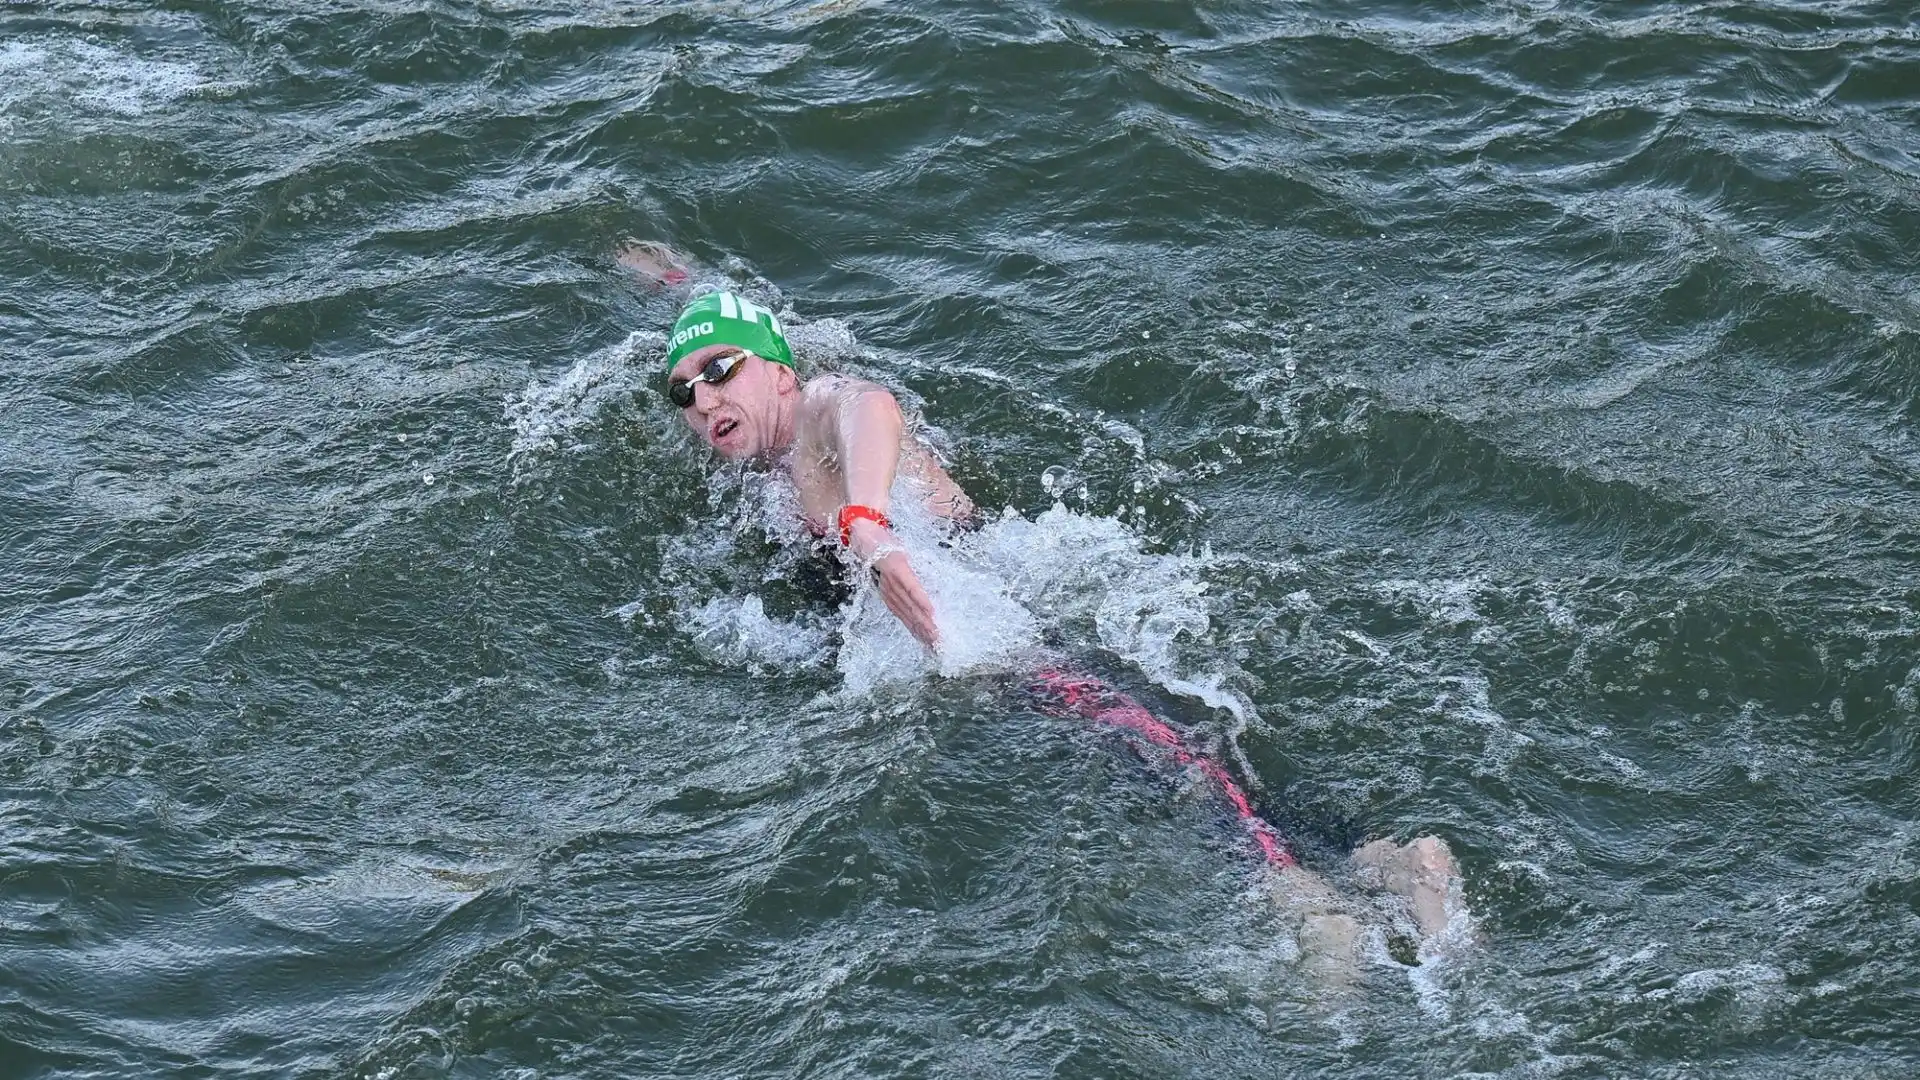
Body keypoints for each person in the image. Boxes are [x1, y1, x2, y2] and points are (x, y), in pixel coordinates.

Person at [635, 248, 1465, 971]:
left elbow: (869, 406)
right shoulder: (759, 464)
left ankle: (1299, 890)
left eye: (721, 371)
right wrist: (665, 276)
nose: (703, 399)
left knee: (1135, 742)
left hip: (990, 610)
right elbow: (713, 328)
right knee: (1141, 728)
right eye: (684, 392)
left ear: (778, 368)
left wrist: (870, 530)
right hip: (975, 622)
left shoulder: (815, 412)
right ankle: (1376, 859)